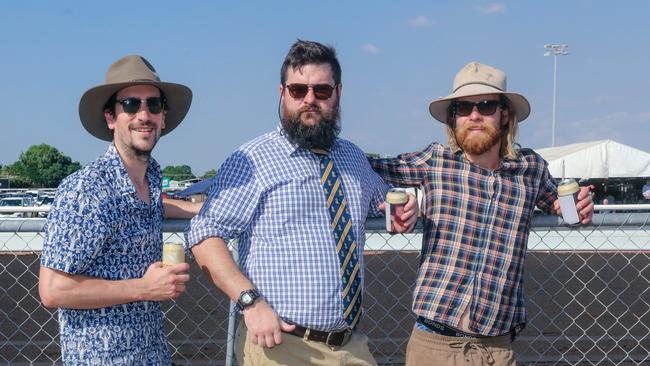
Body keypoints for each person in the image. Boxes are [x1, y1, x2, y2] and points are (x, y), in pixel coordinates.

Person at [186, 40, 418, 366]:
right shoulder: (253, 159)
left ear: (338, 92)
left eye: (321, 91)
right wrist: (250, 303)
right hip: (280, 345)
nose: (310, 100)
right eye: (298, 90)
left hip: (350, 345)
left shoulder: (353, 158)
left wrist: (408, 207)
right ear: (282, 93)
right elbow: (204, 234)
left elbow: (386, 202)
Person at [370, 61, 594, 365]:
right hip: (432, 347)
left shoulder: (531, 168)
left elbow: (560, 201)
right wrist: (390, 203)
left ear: (504, 115)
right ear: (453, 118)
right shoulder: (435, 160)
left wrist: (577, 205)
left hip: (497, 351)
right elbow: (368, 172)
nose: (474, 115)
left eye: (486, 105)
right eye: (463, 107)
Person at [39, 54, 200, 365]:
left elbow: (145, 207)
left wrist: (197, 209)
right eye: (130, 105)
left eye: (154, 105)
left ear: (163, 118)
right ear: (111, 117)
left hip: (152, 354)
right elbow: (52, 290)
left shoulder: (149, 177)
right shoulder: (88, 189)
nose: (144, 114)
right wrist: (144, 288)